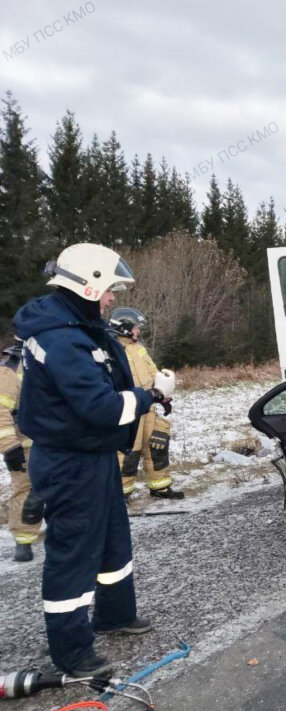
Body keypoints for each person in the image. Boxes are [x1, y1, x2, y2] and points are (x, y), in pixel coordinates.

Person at [13, 243, 175, 677]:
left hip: (94, 454)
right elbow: (101, 407)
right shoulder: (61, 338)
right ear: (89, 285)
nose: (113, 299)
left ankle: (115, 615)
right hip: (69, 461)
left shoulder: (79, 325)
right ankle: (71, 652)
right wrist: (153, 395)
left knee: (111, 541)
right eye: (110, 290)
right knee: (73, 554)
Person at [109, 307, 184, 501]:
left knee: (156, 445)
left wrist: (163, 394)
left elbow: (153, 372)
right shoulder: (112, 349)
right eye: (135, 328)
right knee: (128, 452)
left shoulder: (139, 349)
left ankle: (160, 487)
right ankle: (122, 494)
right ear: (124, 328)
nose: (138, 331)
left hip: (148, 405)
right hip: (129, 408)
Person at [0, 340, 44, 561]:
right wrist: (10, 448)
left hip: (54, 439)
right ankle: (24, 541)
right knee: (27, 491)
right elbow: (0, 410)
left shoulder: (46, 360)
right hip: (25, 444)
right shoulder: (11, 368)